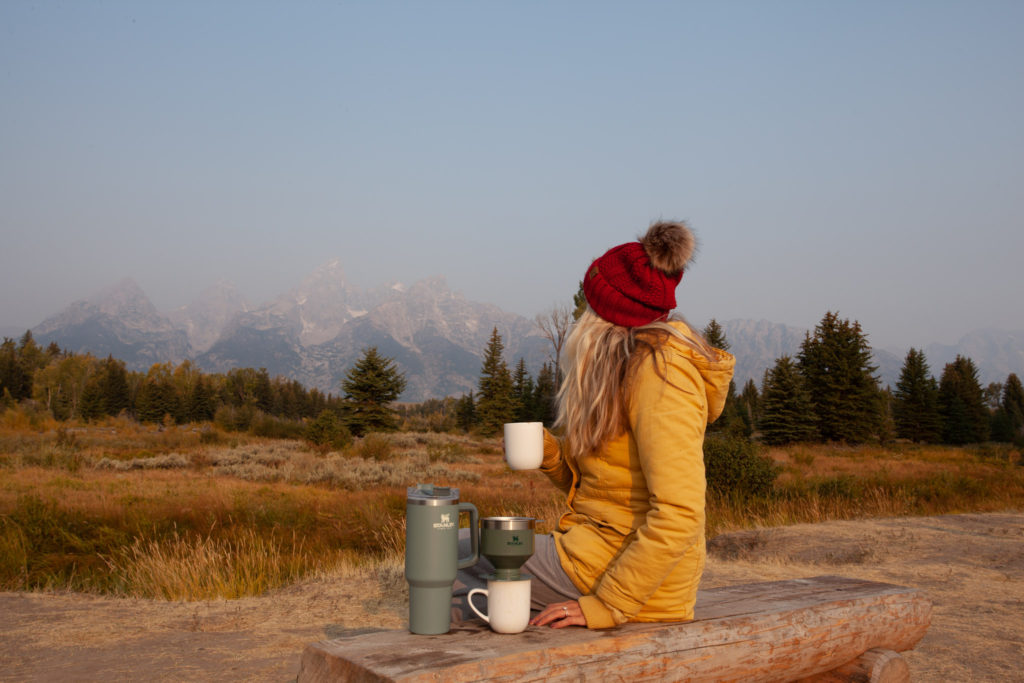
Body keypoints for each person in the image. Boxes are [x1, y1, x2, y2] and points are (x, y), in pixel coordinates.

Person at [452, 220, 734, 629]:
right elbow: (604, 490)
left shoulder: (662, 374)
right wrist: (550, 454)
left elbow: (680, 513)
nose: (582, 313)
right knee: (467, 578)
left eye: (589, 303)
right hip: (596, 552)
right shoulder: (629, 367)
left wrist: (607, 605)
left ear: (607, 312)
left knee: (447, 557)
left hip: (632, 580)